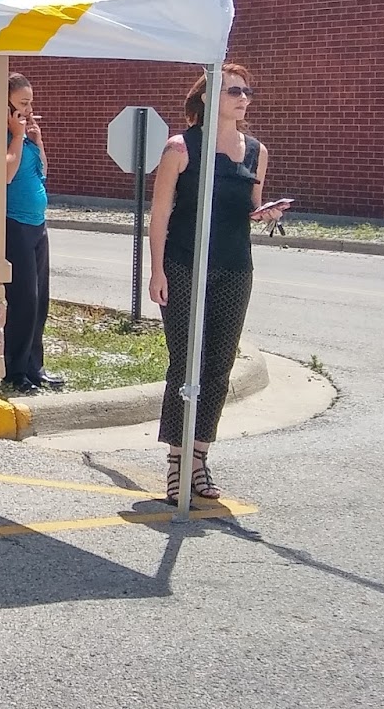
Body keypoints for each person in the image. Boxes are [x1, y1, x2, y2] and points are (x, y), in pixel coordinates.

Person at [147, 63, 286, 503]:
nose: (244, 99)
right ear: (208, 97)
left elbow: (249, 206)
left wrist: (264, 214)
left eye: (247, 91)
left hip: (234, 267)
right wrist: (156, 270)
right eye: (234, 91)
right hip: (183, 264)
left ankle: (199, 459)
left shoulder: (256, 151)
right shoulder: (180, 147)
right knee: (186, 363)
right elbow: (160, 215)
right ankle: (176, 462)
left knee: (219, 366)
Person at [0, 73, 63, 395]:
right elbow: (6, 174)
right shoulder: (2, 137)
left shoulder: (26, 137)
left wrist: (37, 140)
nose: (29, 109)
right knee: (24, 300)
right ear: (5, 105)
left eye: (31, 103)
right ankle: (15, 370)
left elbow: (42, 170)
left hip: (37, 225)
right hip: (14, 224)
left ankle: (35, 366)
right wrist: (18, 136)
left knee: (41, 300)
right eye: (22, 103)